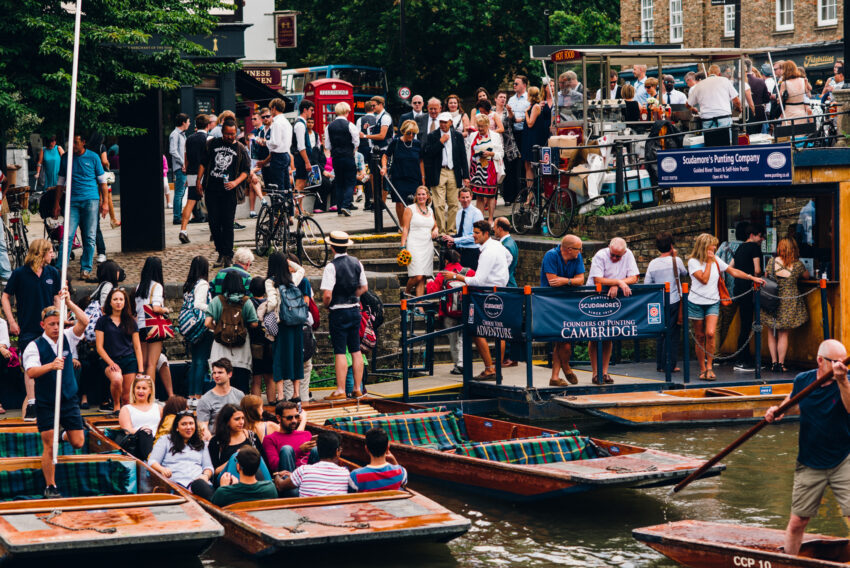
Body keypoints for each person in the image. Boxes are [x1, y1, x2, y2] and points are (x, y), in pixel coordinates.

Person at [764, 339, 850, 556]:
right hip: (810, 461)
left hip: (843, 459)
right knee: (798, 521)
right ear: (820, 361)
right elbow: (793, 399)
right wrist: (779, 409)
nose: (842, 367)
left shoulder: (846, 380)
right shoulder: (803, 380)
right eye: (836, 362)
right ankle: (789, 562)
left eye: (845, 363)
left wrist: (842, 381)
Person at [23, 291, 88, 497]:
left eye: (58, 324)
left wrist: (68, 302)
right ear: (43, 325)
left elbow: (84, 321)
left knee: (78, 442)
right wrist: (51, 365)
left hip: (68, 399)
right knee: (50, 444)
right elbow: (31, 372)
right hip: (47, 402)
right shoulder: (34, 346)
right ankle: (51, 486)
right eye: (51, 324)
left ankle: (63, 433)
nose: (55, 328)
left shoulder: (67, 337)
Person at [688, 233, 765, 381]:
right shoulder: (693, 262)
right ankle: (703, 369)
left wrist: (751, 277)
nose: (715, 248)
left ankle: (710, 367)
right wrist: (710, 263)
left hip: (713, 301)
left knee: (710, 333)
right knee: (700, 336)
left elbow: (732, 271)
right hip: (696, 302)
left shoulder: (715, 259)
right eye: (713, 245)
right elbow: (703, 279)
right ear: (704, 246)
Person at [441, 220, 509, 380]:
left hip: (487, 294)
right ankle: (495, 369)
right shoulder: (497, 245)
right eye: (474, 232)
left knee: (477, 330)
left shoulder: (487, 253)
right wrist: (501, 274)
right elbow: (509, 258)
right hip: (500, 291)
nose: (474, 235)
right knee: (500, 331)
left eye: (477, 233)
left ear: (486, 234)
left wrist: (455, 276)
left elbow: (478, 280)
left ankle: (490, 369)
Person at [2, 239, 61, 420]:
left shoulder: (53, 272)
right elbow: (5, 297)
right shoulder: (20, 273)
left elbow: (57, 297)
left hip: (49, 328)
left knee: (52, 365)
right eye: (50, 251)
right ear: (41, 253)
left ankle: (48, 406)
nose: (53, 255)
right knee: (30, 365)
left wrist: (60, 318)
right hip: (28, 327)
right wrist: (12, 321)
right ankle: (32, 404)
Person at [197, 118, 250, 268]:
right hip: (212, 189)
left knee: (227, 224)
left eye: (233, 134)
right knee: (214, 223)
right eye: (227, 134)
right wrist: (198, 181)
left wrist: (235, 182)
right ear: (222, 132)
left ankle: (228, 255)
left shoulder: (240, 148)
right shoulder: (212, 143)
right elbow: (203, 162)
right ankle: (221, 252)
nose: (230, 136)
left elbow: (246, 171)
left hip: (229, 192)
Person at [320, 231, 368, 400]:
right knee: (356, 349)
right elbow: (364, 288)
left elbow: (327, 294)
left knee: (340, 351)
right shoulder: (357, 263)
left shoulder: (331, 267)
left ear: (332, 247)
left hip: (338, 311)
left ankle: (340, 389)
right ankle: (357, 388)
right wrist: (354, 294)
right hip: (355, 309)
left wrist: (327, 305)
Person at [55, 133, 109, 281]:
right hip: (72, 202)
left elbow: (102, 182)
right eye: (70, 143)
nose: (72, 146)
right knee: (67, 236)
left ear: (83, 142)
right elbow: (60, 182)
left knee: (90, 236)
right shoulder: (66, 158)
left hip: (91, 200)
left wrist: (105, 203)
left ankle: (86, 268)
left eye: (75, 142)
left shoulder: (93, 157)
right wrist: (57, 204)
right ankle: (60, 269)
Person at [587, 238, 640, 384]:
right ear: (609, 248)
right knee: (594, 335)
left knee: (609, 335)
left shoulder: (628, 254)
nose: (615, 258)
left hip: (614, 297)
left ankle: (604, 372)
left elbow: (634, 277)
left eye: (618, 256)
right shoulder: (600, 255)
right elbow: (597, 279)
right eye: (613, 255)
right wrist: (618, 282)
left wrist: (618, 283)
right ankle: (595, 372)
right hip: (596, 297)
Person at [540, 234, 586, 386]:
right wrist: (571, 282)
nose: (580, 252)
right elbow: (553, 281)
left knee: (563, 340)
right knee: (562, 339)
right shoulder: (551, 256)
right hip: (550, 302)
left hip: (567, 302)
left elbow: (581, 280)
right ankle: (565, 368)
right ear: (568, 249)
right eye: (578, 249)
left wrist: (566, 281)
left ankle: (554, 377)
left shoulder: (576, 256)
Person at [205, 271, 259, 393]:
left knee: (221, 388)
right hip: (241, 351)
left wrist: (217, 328)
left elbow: (207, 322)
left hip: (220, 350)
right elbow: (254, 323)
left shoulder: (217, 300)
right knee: (241, 388)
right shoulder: (246, 301)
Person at [763, 238, 811, 373]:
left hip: (772, 299)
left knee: (771, 332)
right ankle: (781, 364)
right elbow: (807, 276)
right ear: (793, 249)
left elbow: (766, 275)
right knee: (783, 334)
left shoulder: (771, 262)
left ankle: (773, 363)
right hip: (789, 301)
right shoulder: (797, 264)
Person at [644, 232, 688, 374]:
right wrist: (675, 256)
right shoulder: (676, 261)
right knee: (673, 333)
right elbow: (684, 273)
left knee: (661, 334)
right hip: (674, 300)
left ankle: (660, 364)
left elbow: (647, 283)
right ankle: (670, 365)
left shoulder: (652, 264)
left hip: (658, 302)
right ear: (671, 245)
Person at [266, 252, 308, 399]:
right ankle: (296, 393)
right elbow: (301, 270)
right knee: (296, 355)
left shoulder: (271, 281)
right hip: (296, 323)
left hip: (282, 324)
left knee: (280, 357)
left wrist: (265, 311)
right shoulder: (291, 279)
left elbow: (271, 303)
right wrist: (289, 262)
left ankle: (281, 395)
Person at [426, 250, 474, 376]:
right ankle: (464, 363)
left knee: (453, 339)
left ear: (446, 261)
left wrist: (429, 282)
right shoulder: (468, 272)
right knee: (464, 337)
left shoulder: (443, 274)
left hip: (449, 313)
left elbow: (432, 291)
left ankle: (458, 365)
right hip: (466, 311)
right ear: (458, 259)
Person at [148, 410, 214, 500]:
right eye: (184, 424)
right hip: (176, 484)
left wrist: (205, 476)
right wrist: (162, 469)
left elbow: (208, 467)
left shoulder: (200, 443)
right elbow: (152, 461)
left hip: (198, 483)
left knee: (202, 486)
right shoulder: (165, 440)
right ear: (177, 427)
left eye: (191, 423)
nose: (188, 427)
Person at [96, 288, 144, 409]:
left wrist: (141, 370)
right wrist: (111, 363)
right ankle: (116, 405)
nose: (118, 302)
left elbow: (137, 347)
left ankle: (124, 417)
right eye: (115, 299)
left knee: (127, 398)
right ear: (110, 302)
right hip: (110, 360)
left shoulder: (131, 322)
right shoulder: (102, 321)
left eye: (121, 299)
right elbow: (99, 347)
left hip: (129, 360)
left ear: (125, 302)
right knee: (117, 380)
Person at [422, 112, 469, 234]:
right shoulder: (432, 135)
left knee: (453, 203)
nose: (442, 124)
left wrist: (466, 176)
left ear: (451, 122)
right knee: (439, 204)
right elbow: (428, 154)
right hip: (439, 171)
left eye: (445, 122)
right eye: (441, 122)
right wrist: (440, 142)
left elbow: (463, 156)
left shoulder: (457, 136)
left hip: (454, 171)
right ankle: (441, 231)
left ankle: (452, 230)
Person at [728, 223, 765, 372]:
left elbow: (730, 267)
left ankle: (743, 357)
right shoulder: (754, 248)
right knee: (747, 325)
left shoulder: (739, 248)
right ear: (752, 235)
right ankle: (743, 360)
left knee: (744, 323)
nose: (762, 239)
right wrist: (760, 277)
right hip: (750, 289)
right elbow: (757, 270)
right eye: (760, 236)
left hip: (738, 288)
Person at [134, 256, 172, 395]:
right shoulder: (157, 286)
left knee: (143, 363)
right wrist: (165, 310)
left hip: (141, 327)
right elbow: (156, 308)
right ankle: (150, 395)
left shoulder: (139, 287)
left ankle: (141, 393)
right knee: (152, 363)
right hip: (153, 327)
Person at [274, 430, 350, 497]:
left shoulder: (303, 470)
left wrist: (277, 475)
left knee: (288, 479)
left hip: (305, 512)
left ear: (318, 450)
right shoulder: (346, 474)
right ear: (337, 452)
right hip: (336, 512)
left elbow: (280, 486)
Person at [208, 403, 268, 482]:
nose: (241, 422)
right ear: (227, 421)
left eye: (243, 418)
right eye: (237, 419)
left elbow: (263, 461)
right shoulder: (216, 441)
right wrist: (235, 458)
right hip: (226, 479)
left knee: (256, 455)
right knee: (237, 456)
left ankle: (269, 487)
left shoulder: (251, 436)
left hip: (252, 477)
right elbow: (215, 471)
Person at [687, 65, 742, 146]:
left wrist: (692, 109)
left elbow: (688, 104)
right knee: (726, 145)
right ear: (719, 73)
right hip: (724, 119)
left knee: (709, 147)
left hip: (707, 121)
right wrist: (739, 109)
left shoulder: (699, 84)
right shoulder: (725, 80)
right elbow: (736, 101)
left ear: (708, 73)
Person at [183, 256, 212, 406]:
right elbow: (199, 304)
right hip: (201, 326)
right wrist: (213, 308)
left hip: (190, 326)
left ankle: (191, 395)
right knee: (201, 361)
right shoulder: (203, 284)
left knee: (195, 361)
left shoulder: (189, 284)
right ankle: (197, 395)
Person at [382, 119, 425, 221]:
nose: (411, 136)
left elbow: (421, 161)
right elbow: (385, 156)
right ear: (403, 131)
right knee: (400, 202)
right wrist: (384, 167)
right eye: (408, 133)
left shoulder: (417, 143)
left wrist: (423, 177)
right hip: (399, 176)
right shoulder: (396, 142)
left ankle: (412, 223)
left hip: (414, 177)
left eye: (413, 133)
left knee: (415, 202)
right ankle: (402, 225)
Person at [178, 114, 211, 244]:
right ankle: (213, 231)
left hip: (192, 172)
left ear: (196, 125)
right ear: (208, 125)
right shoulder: (210, 138)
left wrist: (186, 170)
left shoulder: (189, 139)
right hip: (206, 174)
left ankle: (183, 230)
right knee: (211, 202)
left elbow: (186, 157)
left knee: (190, 202)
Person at [400, 186, 438, 298]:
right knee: (418, 276)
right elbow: (405, 228)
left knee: (423, 277)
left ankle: (420, 304)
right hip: (414, 245)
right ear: (416, 196)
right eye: (419, 194)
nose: (421, 196)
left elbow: (435, 225)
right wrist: (402, 246)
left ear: (427, 196)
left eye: (423, 194)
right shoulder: (409, 209)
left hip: (427, 246)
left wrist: (435, 230)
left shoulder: (430, 210)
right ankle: (406, 292)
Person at [325, 102, 360, 217]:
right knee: (351, 182)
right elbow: (356, 142)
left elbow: (328, 145)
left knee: (339, 183)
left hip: (336, 158)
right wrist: (352, 150)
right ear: (346, 112)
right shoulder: (350, 125)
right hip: (348, 156)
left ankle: (339, 208)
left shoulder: (329, 126)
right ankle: (346, 205)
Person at [468, 114, 504, 226]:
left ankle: (490, 219)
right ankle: (480, 219)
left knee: (491, 195)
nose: (480, 129)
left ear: (488, 125)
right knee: (478, 195)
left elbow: (501, 153)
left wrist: (491, 153)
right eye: (478, 126)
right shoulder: (473, 135)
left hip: (490, 168)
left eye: (482, 126)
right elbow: (468, 151)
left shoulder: (495, 136)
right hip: (476, 168)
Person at [212, 446, 278, 506]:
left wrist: (224, 487)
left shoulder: (223, 493)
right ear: (259, 466)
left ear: (238, 466)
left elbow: (213, 510)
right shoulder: (270, 489)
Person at [197, 358, 245, 439]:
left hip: (238, 438)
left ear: (229, 374)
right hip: (217, 439)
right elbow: (202, 427)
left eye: (220, 372)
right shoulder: (205, 399)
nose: (216, 375)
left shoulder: (239, 395)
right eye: (214, 373)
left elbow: (246, 420)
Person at [262, 401, 315, 473]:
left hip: (309, 473)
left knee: (316, 450)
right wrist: (299, 451)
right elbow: (274, 466)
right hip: (288, 477)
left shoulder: (306, 434)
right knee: (286, 449)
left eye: (296, 417)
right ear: (278, 418)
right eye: (289, 418)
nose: (294, 421)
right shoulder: (270, 439)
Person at [349, 427, 407, 492]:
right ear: (388, 447)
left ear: (366, 449)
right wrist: (394, 461)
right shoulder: (401, 471)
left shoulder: (355, 476)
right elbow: (403, 484)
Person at [361, 96, 393, 211]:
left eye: (374, 105)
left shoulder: (386, 117)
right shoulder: (378, 117)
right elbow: (377, 130)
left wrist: (365, 135)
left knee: (383, 178)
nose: (372, 107)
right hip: (375, 151)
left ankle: (382, 204)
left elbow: (382, 135)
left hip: (384, 151)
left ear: (381, 104)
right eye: (372, 105)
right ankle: (376, 202)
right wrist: (369, 128)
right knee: (374, 177)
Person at [117, 375, 161, 459]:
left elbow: (164, 427)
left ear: (150, 391)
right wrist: (143, 430)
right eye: (138, 388)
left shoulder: (158, 407)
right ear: (133, 390)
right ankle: (150, 463)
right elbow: (127, 430)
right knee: (146, 433)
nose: (140, 391)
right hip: (138, 442)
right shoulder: (126, 409)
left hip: (158, 441)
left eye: (144, 388)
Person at [247, 277, 276, 402]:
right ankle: (272, 403)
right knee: (270, 378)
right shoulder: (270, 303)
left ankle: (257, 407)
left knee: (256, 379)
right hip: (269, 343)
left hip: (254, 344)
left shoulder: (249, 303)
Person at [443, 187, 483, 270]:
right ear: (459, 198)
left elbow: (475, 236)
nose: (465, 200)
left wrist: (455, 240)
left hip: (472, 251)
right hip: (460, 251)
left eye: (467, 197)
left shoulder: (476, 213)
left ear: (471, 197)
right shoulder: (459, 213)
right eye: (463, 197)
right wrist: (452, 241)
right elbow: (461, 233)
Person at [520, 86, 548, 184]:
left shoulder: (536, 106)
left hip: (533, 138)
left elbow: (530, 123)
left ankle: (537, 192)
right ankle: (530, 193)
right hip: (528, 136)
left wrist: (526, 113)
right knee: (527, 165)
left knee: (534, 164)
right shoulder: (532, 106)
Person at [265, 97, 292, 194]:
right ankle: (289, 208)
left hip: (278, 156)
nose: (270, 111)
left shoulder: (277, 123)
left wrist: (265, 142)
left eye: (270, 108)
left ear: (274, 108)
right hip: (286, 155)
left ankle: (280, 208)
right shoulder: (287, 122)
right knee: (287, 186)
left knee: (278, 186)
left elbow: (275, 143)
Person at [168, 113, 190, 225]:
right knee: (179, 192)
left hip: (183, 167)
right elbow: (173, 151)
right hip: (180, 168)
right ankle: (177, 217)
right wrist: (183, 163)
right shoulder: (175, 134)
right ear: (183, 122)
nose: (189, 124)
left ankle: (179, 215)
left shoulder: (182, 135)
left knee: (182, 192)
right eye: (188, 121)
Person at [291, 100, 316, 192]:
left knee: (302, 185)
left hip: (302, 158)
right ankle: (296, 206)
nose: (312, 112)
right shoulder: (300, 125)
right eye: (311, 110)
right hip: (301, 159)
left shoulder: (302, 123)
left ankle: (299, 206)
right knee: (299, 184)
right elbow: (301, 146)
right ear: (305, 110)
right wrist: (307, 162)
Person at [780, 60, 811, 126]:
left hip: (789, 112)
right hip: (801, 111)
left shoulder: (784, 83)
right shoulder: (803, 80)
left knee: (788, 134)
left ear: (785, 70)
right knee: (800, 133)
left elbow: (780, 100)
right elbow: (808, 94)